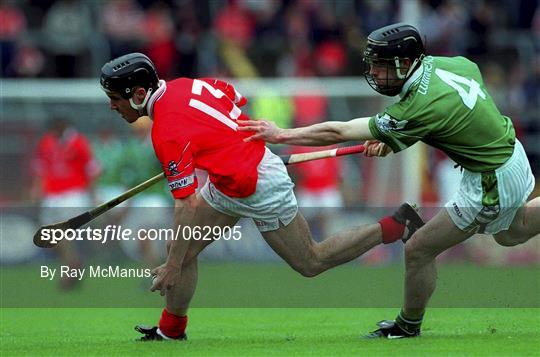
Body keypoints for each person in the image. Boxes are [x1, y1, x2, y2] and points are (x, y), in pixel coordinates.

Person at [238, 22, 540, 339]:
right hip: (511, 153)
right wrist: (399, 137)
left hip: (489, 179)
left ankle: (408, 325)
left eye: (381, 67)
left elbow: (337, 132)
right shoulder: (451, 64)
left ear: (405, 63)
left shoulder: (417, 106)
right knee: (511, 233)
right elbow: (451, 111)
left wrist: (281, 134)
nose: (375, 74)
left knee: (419, 249)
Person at [99, 52, 425, 341]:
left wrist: (169, 268)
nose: (112, 106)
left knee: (311, 261)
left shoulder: (166, 132)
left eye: (115, 98)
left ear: (139, 94)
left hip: (259, 185)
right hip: (227, 182)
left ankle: (396, 225)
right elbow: (234, 97)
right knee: (179, 249)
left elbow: (186, 204)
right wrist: (216, 144)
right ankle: (170, 331)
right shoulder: (184, 84)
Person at [31, 117, 99, 289]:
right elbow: (41, 169)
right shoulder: (46, 142)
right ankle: (72, 262)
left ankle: (70, 267)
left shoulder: (78, 142)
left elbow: (92, 169)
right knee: (47, 233)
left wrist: (93, 194)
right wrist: (37, 189)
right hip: (52, 194)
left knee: (62, 230)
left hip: (73, 192)